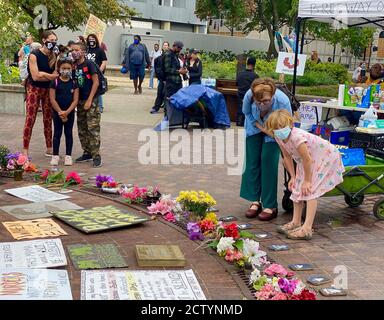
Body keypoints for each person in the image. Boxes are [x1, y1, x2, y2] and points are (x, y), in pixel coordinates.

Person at [266, 109, 345, 240]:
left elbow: (307, 159)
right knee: (297, 187)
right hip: (307, 160)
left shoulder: (297, 137)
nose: (279, 130)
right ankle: (296, 222)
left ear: (290, 124)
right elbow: (286, 157)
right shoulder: (279, 137)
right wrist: (293, 177)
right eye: (275, 128)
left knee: (309, 190)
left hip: (325, 157)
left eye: (282, 126)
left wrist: (307, 180)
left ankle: (307, 228)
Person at [241, 78, 292, 222]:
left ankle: (270, 206)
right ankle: (255, 201)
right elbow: (246, 112)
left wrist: (276, 135)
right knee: (252, 162)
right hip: (254, 126)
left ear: (273, 97)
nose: (262, 105)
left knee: (268, 162)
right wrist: (258, 126)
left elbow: (287, 123)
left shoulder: (282, 101)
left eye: (266, 102)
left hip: (275, 131)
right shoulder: (249, 96)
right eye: (258, 102)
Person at [23, 31, 59, 157]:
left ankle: (49, 148)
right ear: (44, 40)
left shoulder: (55, 55)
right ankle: (25, 149)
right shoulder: (35, 54)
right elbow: (36, 76)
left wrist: (44, 74)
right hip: (34, 88)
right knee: (30, 118)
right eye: (51, 39)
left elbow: (56, 75)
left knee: (48, 119)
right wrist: (48, 76)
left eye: (55, 40)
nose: (53, 42)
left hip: (48, 90)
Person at [71, 42, 102, 168]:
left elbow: (96, 82)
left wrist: (89, 100)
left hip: (91, 100)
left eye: (76, 50)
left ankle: (96, 156)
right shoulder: (73, 66)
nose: (73, 52)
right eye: (72, 50)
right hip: (79, 101)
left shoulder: (89, 64)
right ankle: (87, 152)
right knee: (82, 128)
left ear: (83, 52)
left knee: (92, 129)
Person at [49, 58, 79, 166]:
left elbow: (75, 100)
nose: (66, 70)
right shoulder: (55, 82)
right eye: (63, 68)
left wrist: (67, 112)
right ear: (59, 69)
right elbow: (52, 99)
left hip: (69, 113)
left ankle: (68, 156)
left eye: (68, 68)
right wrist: (60, 112)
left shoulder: (74, 82)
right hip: (57, 113)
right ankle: (55, 155)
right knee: (57, 133)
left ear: (72, 69)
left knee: (68, 133)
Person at [163, 41, 186, 116]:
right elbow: (167, 69)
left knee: (177, 99)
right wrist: (179, 71)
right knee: (169, 99)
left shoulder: (175, 55)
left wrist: (183, 72)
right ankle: (168, 117)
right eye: (179, 48)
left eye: (181, 48)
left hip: (177, 81)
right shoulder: (168, 54)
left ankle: (174, 117)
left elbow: (177, 67)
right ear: (175, 46)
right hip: (171, 81)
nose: (180, 50)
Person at [86, 34, 108, 113]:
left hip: (96, 73)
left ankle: (100, 106)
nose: (91, 40)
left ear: (96, 40)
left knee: (97, 89)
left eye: (93, 39)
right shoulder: (87, 50)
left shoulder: (100, 50)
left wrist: (99, 71)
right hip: (87, 73)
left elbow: (104, 61)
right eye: (89, 39)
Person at [236, 57, 259, 127]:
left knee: (240, 106)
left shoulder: (239, 74)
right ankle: (247, 122)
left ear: (247, 63)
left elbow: (237, 84)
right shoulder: (255, 76)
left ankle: (239, 121)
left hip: (240, 96)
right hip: (250, 98)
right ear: (254, 65)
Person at [150, 41, 170, 114]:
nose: (165, 46)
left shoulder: (171, 57)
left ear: (168, 47)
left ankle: (167, 109)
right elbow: (158, 69)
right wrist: (160, 77)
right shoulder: (159, 58)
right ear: (162, 47)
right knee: (159, 93)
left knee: (166, 94)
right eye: (164, 45)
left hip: (168, 79)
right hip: (162, 79)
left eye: (166, 45)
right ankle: (156, 107)